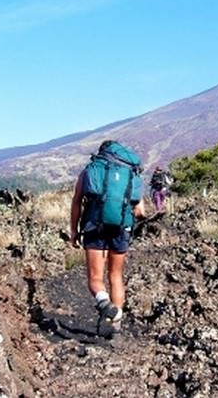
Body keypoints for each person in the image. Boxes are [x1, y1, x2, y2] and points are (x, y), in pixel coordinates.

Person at [70, 141, 146, 337]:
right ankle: (116, 324)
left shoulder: (91, 170)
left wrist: (74, 230)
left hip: (94, 225)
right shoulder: (131, 174)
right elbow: (139, 211)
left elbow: (77, 201)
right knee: (116, 276)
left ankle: (104, 303)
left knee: (95, 279)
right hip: (122, 227)